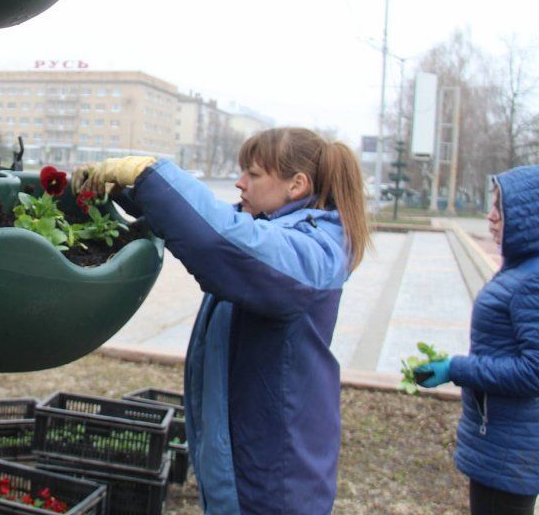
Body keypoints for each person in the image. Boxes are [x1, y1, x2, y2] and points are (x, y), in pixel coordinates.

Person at [72, 127, 370, 515]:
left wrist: (152, 174)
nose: (239, 182)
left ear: (297, 185)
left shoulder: (314, 249)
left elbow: (222, 241)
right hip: (251, 466)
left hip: (275, 481)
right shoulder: (273, 230)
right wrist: (127, 191)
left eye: (254, 174)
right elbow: (205, 224)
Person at [414, 165, 539, 515]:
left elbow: (534, 372)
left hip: (509, 450)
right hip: (499, 439)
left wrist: (456, 368)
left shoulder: (531, 279)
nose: (491, 215)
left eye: (501, 207)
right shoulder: (520, 269)